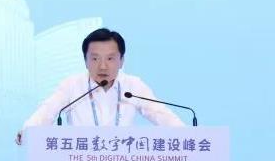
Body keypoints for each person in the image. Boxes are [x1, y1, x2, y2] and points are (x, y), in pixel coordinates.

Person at [16, 28, 185, 144]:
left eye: (110, 59)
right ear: (85, 61)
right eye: (95, 59)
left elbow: (160, 114)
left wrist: (186, 136)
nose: (103, 66)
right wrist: (28, 131)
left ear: (121, 61)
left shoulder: (133, 86)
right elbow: (48, 110)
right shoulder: (72, 85)